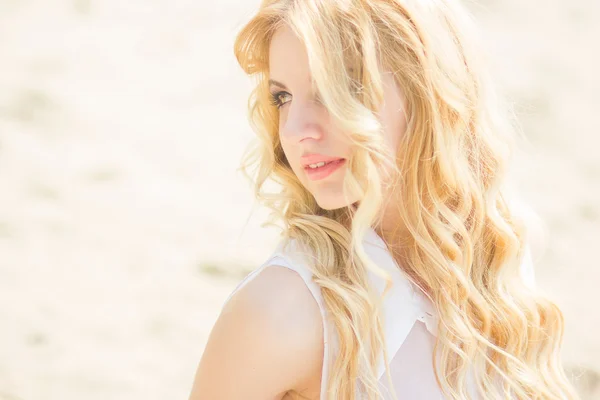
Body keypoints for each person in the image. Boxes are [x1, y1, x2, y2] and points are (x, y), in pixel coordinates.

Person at [188, 0, 579, 399]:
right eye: (283, 97)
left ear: (426, 90)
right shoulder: (280, 310)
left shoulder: (498, 255)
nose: (297, 130)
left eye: (335, 88)